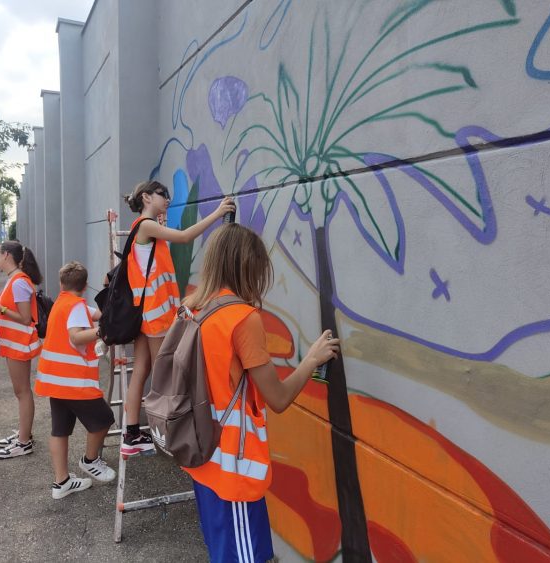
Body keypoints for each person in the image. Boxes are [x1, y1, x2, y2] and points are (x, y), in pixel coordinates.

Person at [181, 224, 339, 563]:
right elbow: (278, 398)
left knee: (225, 552)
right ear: (246, 267)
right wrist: (311, 359)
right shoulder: (242, 319)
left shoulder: (193, 307)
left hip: (201, 455)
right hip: (232, 471)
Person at [120, 180, 235, 456]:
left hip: (146, 313)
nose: (168, 199)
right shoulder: (145, 226)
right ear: (146, 197)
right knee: (168, 377)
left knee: (143, 373)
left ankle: (132, 435)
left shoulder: (146, 229)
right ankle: (168, 431)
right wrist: (218, 213)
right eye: (163, 195)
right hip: (157, 315)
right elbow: (184, 237)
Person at [34, 261, 116, 499]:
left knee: (60, 430)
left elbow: (98, 313)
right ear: (85, 285)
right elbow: (77, 336)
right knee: (104, 419)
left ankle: (61, 483)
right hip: (74, 382)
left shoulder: (63, 303)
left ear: (62, 284)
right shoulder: (77, 306)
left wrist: (109, 310)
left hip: (55, 380)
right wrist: (102, 331)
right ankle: (90, 460)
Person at [0, 241, 42, 459]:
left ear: (7, 255)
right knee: (21, 391)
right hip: (14, 343)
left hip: (19, 344)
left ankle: (24, 441)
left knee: (22, 392)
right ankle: (24, 434)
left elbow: (24, 317)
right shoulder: (16, 279)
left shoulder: (19, 281)